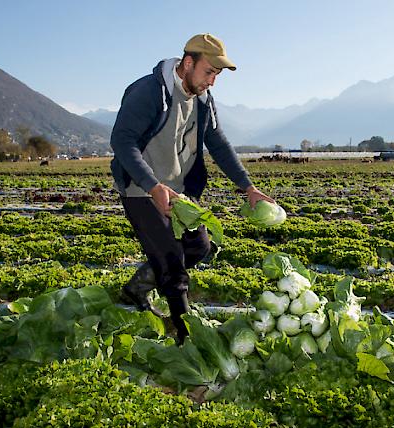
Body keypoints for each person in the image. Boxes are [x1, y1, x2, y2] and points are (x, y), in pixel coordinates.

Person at [110, 33, 274, 344]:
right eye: (209, 72)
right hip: (141, 187)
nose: (212, 81)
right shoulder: (150, 91)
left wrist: (248, 187)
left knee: (199, 247)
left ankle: (137, 288)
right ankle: (187, 337)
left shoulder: (202, 100)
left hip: (180, 191)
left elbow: (219, 144)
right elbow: (121, 141)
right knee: (172, 264)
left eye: (217, 75)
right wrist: (153, 186)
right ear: (188, 63)